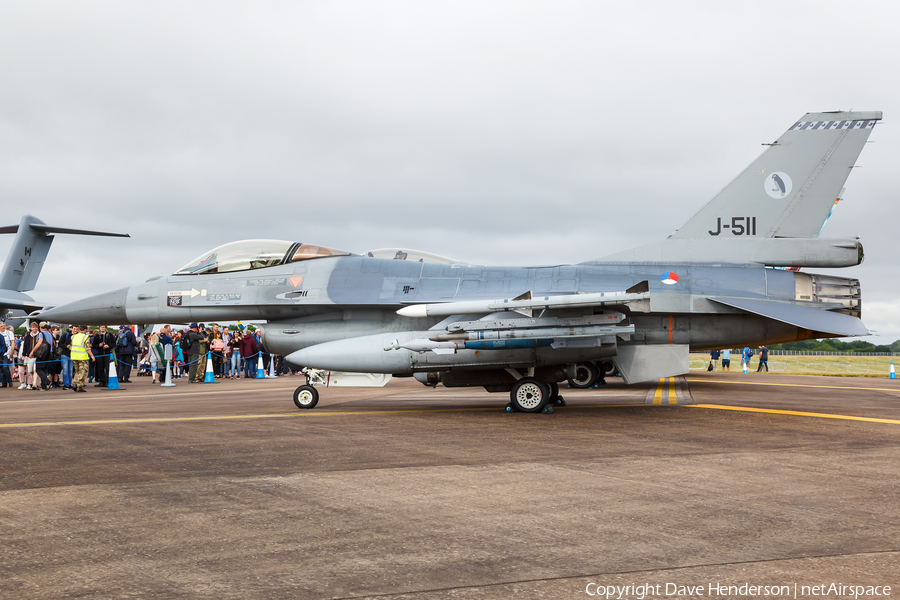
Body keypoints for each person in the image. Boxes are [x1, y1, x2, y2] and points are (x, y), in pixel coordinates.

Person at [70, 325, 95, 392]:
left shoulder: (73, 336)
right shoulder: (85, 337)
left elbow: (71, 347)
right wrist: (92, 356)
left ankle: (78, 385)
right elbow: (87, 348)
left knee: (77, 371)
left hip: (74, 356)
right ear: (85, 329)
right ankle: (76, 384)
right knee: (83, 371)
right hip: (82, 357)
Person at [58, 325, 74, 389]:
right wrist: (66, 346)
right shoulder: (65, 335)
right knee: (65, 370)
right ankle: (66, 384)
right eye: (72, 328)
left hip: (72, 355)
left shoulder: (76, 336)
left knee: (70, 370)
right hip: (65, 354)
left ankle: (69, 383)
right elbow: (60, 343)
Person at [0, 323, 12, 388]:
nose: (3, 327)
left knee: (5, 367)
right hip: (1, 354)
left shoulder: (8, 333)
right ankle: (3, 382)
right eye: (1, 326)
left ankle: (9, 381)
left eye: (3, 326)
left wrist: (11, 352)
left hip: (5, 353)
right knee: (1, 369)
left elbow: (4, 345)